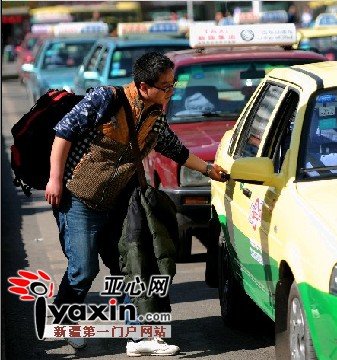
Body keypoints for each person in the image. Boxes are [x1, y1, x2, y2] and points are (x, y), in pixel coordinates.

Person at [45, 51, 227, 355]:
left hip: (120, 202)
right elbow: (63, 133)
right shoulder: (106, 99)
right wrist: (54, 179)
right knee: (83, 269)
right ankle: (66, 318)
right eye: (165, 86)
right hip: (80, 198)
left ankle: (141, 336)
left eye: (172, 85)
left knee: (133, 266)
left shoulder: (156, 114)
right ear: (143, 86)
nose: (170, 92)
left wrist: (209, 170)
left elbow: (175, 149)